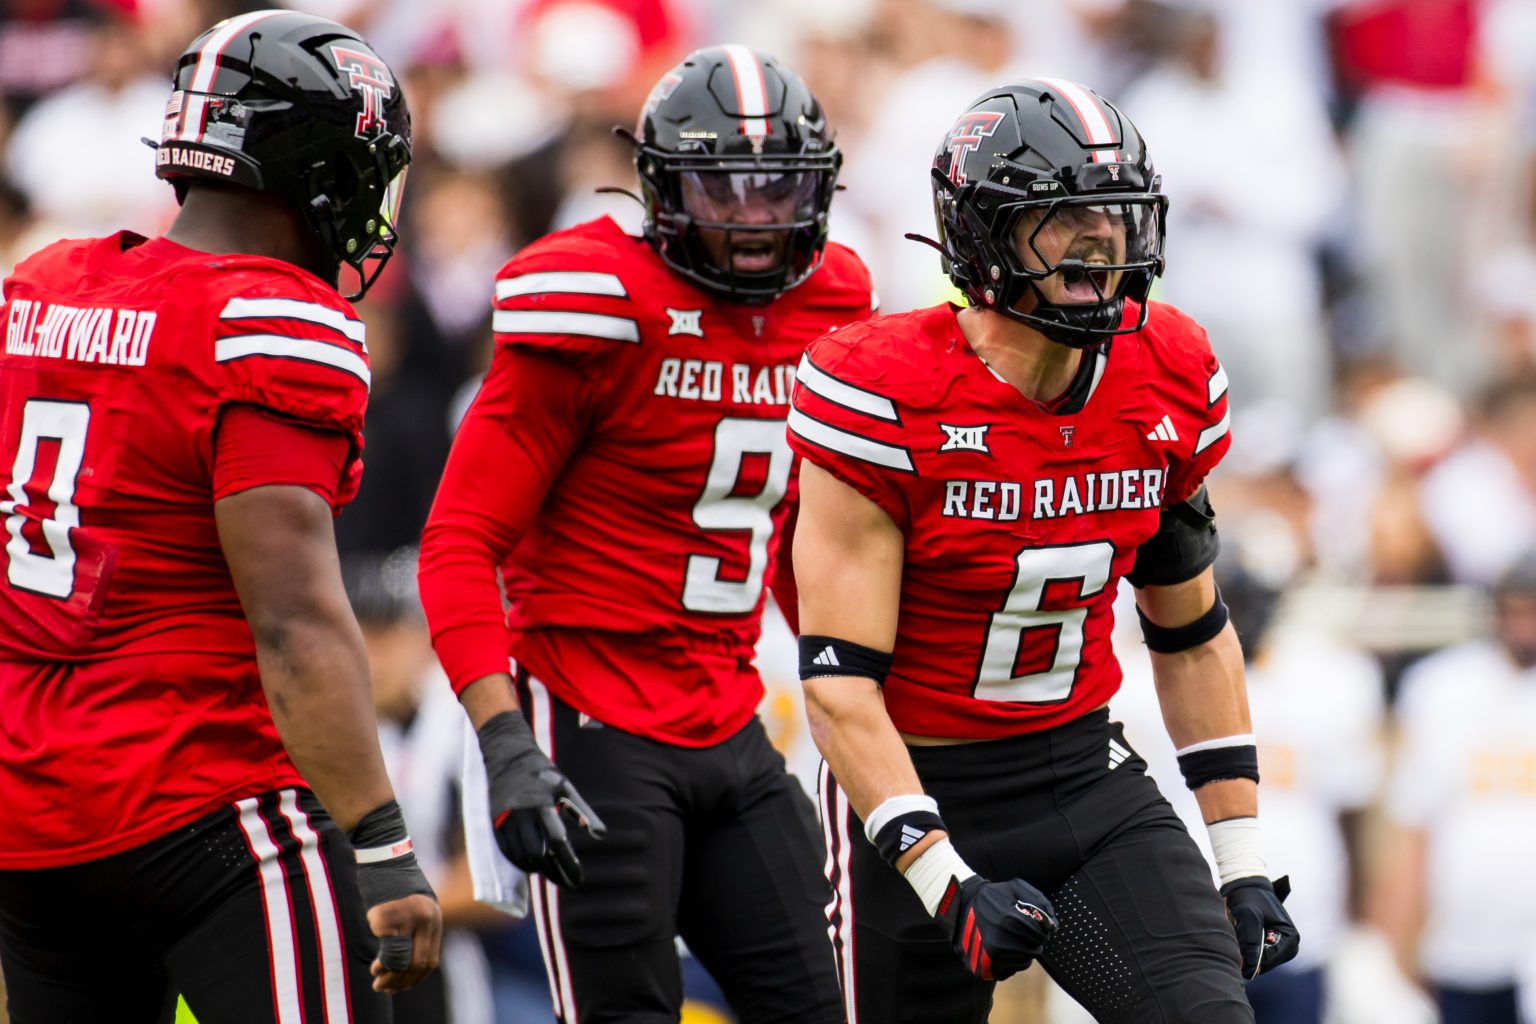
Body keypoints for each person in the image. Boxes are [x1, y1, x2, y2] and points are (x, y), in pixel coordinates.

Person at [787, 78, 1300, 1023]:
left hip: (1085, 780)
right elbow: (839, 686)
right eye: (1063, 218)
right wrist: (944, 877)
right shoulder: (883, 389)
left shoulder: (1167, 373)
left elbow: (1192, 635)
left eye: (1113, 215)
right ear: (982, 232)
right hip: (913, 785)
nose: (1099, 242)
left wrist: (1244, 860)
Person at [417, 45, 874, 1024]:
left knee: (828, 1001)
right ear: (664, 184)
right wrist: (503, 739)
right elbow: (459, 540)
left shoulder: (831, 298)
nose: (755, 218)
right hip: (588, 717)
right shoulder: (593, 300)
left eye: (777, 188)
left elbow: (801, 531)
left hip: (729, 709)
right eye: (725, 187)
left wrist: (862, 687)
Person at [0, 11, 439, 1022]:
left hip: (34, 806)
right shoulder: (270, 321)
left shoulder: (43, 283)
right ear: (316, 164)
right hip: (205, 797)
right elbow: (295, 620)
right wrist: (381, 838)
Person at [1370, 550, 1536, 1024]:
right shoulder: (1444, 686)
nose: (1524, 626)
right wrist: (1398, 939)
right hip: (1466, 942)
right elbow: (1413, 823)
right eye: (1516, 610)